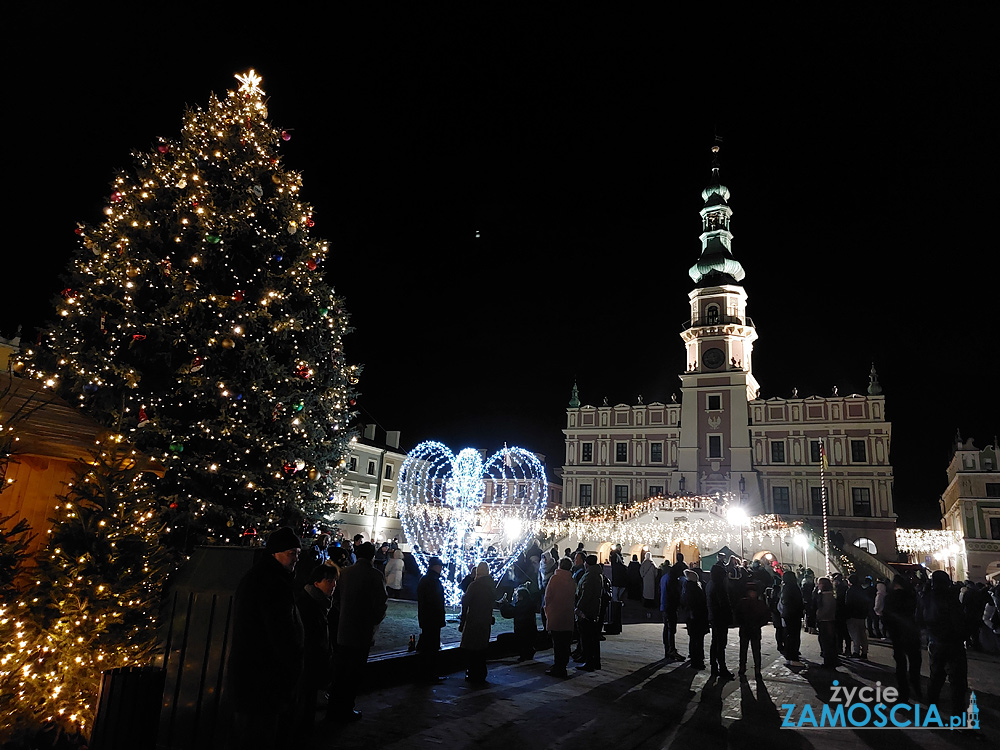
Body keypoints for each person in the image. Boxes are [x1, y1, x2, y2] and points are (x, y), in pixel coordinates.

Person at [227, 527, 305, 749]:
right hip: (262, 681)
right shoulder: (272, 584)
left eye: (298, 553)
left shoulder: (267, 579)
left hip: (256, 680)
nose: (297, 558)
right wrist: (291, 665)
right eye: (292, 553)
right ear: (275, 553)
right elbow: (281, 633)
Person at [331, 542, 387, 721]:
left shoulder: (345, 573)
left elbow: (336, 598)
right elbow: (381, 604)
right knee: (354, 672)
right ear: (372, 556)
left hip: (344, 629)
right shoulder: (375, 576)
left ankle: (334, 707)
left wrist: (343, 614)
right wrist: (374, 621)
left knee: (340, 671)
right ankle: (347, 708)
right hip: (362, 631)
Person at [294, 563, 339, 734]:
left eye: (334, 581)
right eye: (329, 581)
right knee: (304, 705)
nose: (333, 585)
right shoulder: (308, 605)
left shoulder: (322, 604)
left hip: (313, 666)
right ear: (316, 583)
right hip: (307, 666)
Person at [919, 569, 968, 716]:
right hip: (952, 642)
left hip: (935, 641)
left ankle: (932, 709)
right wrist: (963, 635)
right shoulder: (949, 597)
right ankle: (958, 716)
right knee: (957, 682)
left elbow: (919, 619)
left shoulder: (925, 597)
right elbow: (958, 621)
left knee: (936, 678)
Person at [883, 574, 922, 702]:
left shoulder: (890, 597)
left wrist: (889, 630)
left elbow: (886, 616)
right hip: (912, 632)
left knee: (900, 663)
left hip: (897, 633)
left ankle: (903, 690)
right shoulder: (912, 595)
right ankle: (916, 686)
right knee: (915, 661)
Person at [460, 561, 496, 683]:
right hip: (485, 620)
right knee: (481, 648)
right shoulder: (491, 585)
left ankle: (473, 672)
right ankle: (481, 673)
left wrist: (462, 620)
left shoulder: (475, 585)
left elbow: (466, 602)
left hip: (474, 619)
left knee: (472, 648)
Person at [543, 557, 576, 677]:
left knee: (557, 643)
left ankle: (558, 667)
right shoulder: (571, 580)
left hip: (556, 614)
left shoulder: (555, 579)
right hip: (567, 616)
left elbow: (548, 597)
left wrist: (547, 610)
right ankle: (563, 665)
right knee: (565, 643)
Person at [416, 556, 446, 683]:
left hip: (426, 618)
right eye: (440, 567)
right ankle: (429, 675)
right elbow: (436, 601)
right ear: (436, 567)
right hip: (432, 618)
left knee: (427, 646)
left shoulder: (425, 579)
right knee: (431, 648)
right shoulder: (433, 581)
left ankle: (426, 674)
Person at [734, 581, 770, 679]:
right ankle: (742, 667)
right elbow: (737, 615)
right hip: (746, 629)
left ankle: (757, 669)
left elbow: (765, 616)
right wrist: (742, 623)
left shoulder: (759, 604)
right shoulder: (743, 602)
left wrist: (758, 624)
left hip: (754, 630)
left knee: (756, 651)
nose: (752, 594)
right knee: (743, 650)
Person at [575, 554, 605, 671]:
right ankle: (593, 661)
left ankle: (590, 661)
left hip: (587, 611)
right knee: (592, 638)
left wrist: (578, 607)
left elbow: (586, 594)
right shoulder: (597, 574)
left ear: (586, 563)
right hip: (593, 609)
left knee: (588, 637)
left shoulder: (590, 576)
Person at [707, 558, 734, 680]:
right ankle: (721, 668)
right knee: (720, 643)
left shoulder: (710, 584)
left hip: (714, 617)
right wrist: (729, 617)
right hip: (720, 618)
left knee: (715, 642)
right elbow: (723, 603)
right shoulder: (719, 586)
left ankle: (714, 666)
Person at [499, 584, 538, 662]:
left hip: (521, 628)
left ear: (521, 597)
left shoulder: (520, 606)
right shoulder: (529, 604)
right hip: (530, 627)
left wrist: (503, 605)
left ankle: (523, 655)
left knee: (522, 642)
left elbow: (509, 613)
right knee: (528, 642)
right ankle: (529, 654)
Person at [661, 553, 687, 660]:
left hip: (665, 604)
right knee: (671, 628)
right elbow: (673, 593)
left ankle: (668, 649)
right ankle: (671, 650)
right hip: (670, 605)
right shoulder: (672, 580)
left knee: (667, 627)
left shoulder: (664, 577)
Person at [682, 568, 708, 670]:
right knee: (697, 639)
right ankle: (697, 660)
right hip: (696, 617)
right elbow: (698, 603)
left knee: (694, 639)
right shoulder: (694, 589)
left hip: (692, 617)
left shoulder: (687, 588)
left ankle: (695, 657)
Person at [779, 569, 804, 664]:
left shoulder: (786, 588)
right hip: (794, 614)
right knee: (794, 635)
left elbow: (784, 601)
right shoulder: (794, 587)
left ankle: (790, 655)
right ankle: (793, 656)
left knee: (790, 635)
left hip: (788, 614)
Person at [814, 576, 838, 669]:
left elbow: (826, 609)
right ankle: (830, 660)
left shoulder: (827, 596)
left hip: (826, 621)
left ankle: (829, 662)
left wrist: (818, 616)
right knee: (827, 641)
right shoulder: (828, 595)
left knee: (827, 642)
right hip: (827, 620)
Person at [845, 574, 870, 659]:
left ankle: (856, 651)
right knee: (862, 634)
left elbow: (848, 604)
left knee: (855, 635)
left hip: (853, 615)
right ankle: (864, 651)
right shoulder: (862, 590)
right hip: (861, 615)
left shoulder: (850, 591)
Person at [640, 551, 657, 616]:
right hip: (651, 580)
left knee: (646, 591)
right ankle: (651, 604)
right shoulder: (653, 564)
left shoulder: (644, 563)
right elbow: (656, 573)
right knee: (651, 592)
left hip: (645, 580)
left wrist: (643, 576)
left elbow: (641, 571)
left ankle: (646, 604)